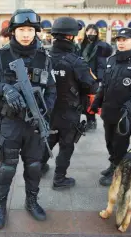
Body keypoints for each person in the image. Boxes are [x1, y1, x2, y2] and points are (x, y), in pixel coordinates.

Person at [0, 9, 56, 229]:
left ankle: (31, 201)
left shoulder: (44, 57)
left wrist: (43, 113)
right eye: (21, 29)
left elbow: (51, 90)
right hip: (10, 124)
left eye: (30, 29)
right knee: (7, 169)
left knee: (33, 167)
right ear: (13, 31)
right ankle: (0, 205)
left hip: (34, 126)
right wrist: (4, 89)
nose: (26, 34)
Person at [40, 17, 98, 189]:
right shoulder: (76, 61)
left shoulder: (43, 56)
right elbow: (92, 86)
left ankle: (38, 167)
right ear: (71, 37)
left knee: (50, 139)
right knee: (66, 146)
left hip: (48, 110)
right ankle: (59, 179)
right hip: (69, 112)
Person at [90, 28, 131, 186]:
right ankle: (113, 164)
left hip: (125, 113)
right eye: (119, 40)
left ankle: (119, 171)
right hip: (109, 110)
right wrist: (97, 101)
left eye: (125, 40)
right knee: (109, 141)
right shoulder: (112, 59)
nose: (121, 43)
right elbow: (104, 84)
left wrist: (130, 106)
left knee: (120, 143)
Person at [79, 24, 112, 131]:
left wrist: (99, 78)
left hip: (92, 78)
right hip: (81, 76)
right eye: (89, 32)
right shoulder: (82, 44)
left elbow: (101, 63)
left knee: (91, 100)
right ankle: (83, 120)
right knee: (81, 99)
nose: (91, 34)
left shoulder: (99, 46)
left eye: (94, 32)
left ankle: (91, 121)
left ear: (97, 33)